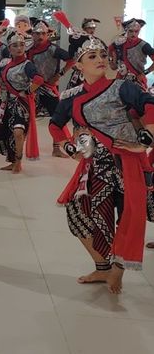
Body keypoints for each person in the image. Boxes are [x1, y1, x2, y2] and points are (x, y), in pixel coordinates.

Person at [49, 37, 154, 294]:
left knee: (127, 217)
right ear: (79, 66)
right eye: (92, 57)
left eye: (102, 55)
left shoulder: (121, 87)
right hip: (94, 164)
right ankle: (103, 266)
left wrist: (146, 142)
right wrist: (68, 147)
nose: (100, 60)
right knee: (78, 212)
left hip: (125, 162)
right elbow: (55, 124)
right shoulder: (71, 96)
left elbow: (150, 104)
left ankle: (116, 270)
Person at [0, 30, 44, 172]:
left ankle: (18, 162)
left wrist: (27, 91)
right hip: (6, 102)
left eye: (21, 45)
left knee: (18, 131)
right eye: (15, 45)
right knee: (7, 132)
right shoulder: (5, 63)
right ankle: (12, 160)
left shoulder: (27, 65)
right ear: (9, 48)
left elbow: (38, 79)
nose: (19, 48)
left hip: (22, 103)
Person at [26, 19, 74, 157]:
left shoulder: (53, 49)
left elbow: (72, 60)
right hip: (33, 87)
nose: (40, 37)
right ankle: (20, 150)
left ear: (48, 35)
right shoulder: (27, 49)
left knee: (57, 119)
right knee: (24, 117)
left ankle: (57, 148)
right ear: (32, 34)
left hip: (48, 87)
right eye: (37, 33)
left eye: (43, 34)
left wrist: (60, 74)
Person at [110, 18, 154, 89]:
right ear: (126, 31)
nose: (134, 34)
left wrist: (144, 73)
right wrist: (112, 61)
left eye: (136, 31)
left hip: (137, 79)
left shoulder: (143, 45)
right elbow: (109, 50)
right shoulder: (118, 43)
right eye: (131, 31)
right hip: (120, 79)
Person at [66, 18, 103, 89]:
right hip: (80, 71)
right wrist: (74, 63)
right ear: (84, 28)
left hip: (93, 71)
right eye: (89, 28)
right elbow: (71, 54)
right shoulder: (77, 38)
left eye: (93, 28)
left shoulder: (97, 41)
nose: (92, 30)